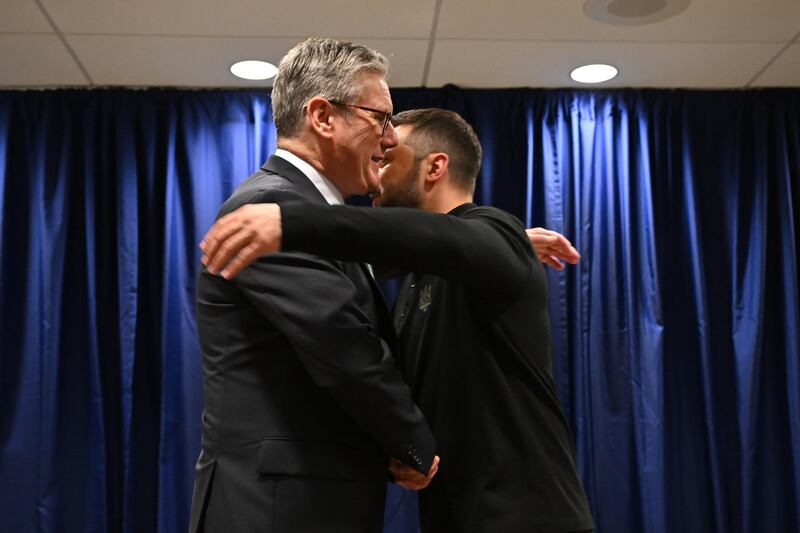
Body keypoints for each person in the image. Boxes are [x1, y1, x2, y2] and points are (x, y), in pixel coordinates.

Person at [200, 109, 594, 533]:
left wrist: (291, 222)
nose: (376, 166)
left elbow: (440, 238)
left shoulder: (493, 230)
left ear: (435, 167)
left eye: (389, 159)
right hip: (456, 517)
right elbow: (405, 253)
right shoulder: (426, 275)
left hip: (530, 518)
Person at [188, 38, 441, 533]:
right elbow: (344, 347)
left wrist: (505, 241)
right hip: (277, 509)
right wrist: (412, 442)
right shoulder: (271, 210)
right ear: (324, 117)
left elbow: (407, 254)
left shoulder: (314, 215)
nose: (392, 140)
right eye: (382, 118)